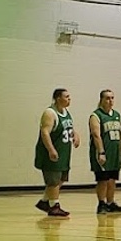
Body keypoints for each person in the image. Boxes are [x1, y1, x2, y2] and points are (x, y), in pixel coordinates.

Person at [34, 88, 79, 217]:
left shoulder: (65, 112)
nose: (69, 99)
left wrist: (75, 135)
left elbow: (69, 127)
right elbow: (45, 132)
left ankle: (44, 202)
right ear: (58, 98)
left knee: (61, 179)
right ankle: (54, 206)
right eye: (67, 96)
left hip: (64, 153)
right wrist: (51, 149)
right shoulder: (50, 113)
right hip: (51, 153)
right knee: (53, 181)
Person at [89, 89, 121, 214]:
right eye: (107, 98)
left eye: (112, 98)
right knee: (103, 179)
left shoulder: (116, 114)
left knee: (112, 179)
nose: (110, 101)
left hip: (114, 152)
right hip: (103, 152)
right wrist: (101, 152)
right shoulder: (96, 115)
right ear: (101, 100)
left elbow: (120, 134)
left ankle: (110, 202)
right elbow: (96, 135)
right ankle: (101, 203)